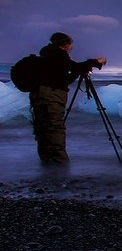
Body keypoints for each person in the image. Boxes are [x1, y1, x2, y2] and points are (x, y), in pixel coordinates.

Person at [30, 32, 107, 164]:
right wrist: (96, 62)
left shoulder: (48, 55)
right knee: (55, 128)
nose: (71, 48)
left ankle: (47, 163)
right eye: (71, 45)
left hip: (39, 96)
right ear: (66, 45)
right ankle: (59, 166)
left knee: (43, 129)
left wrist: (80, 70)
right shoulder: (58, 55)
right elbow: (75, 68)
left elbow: (64, 79)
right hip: (52, 98)